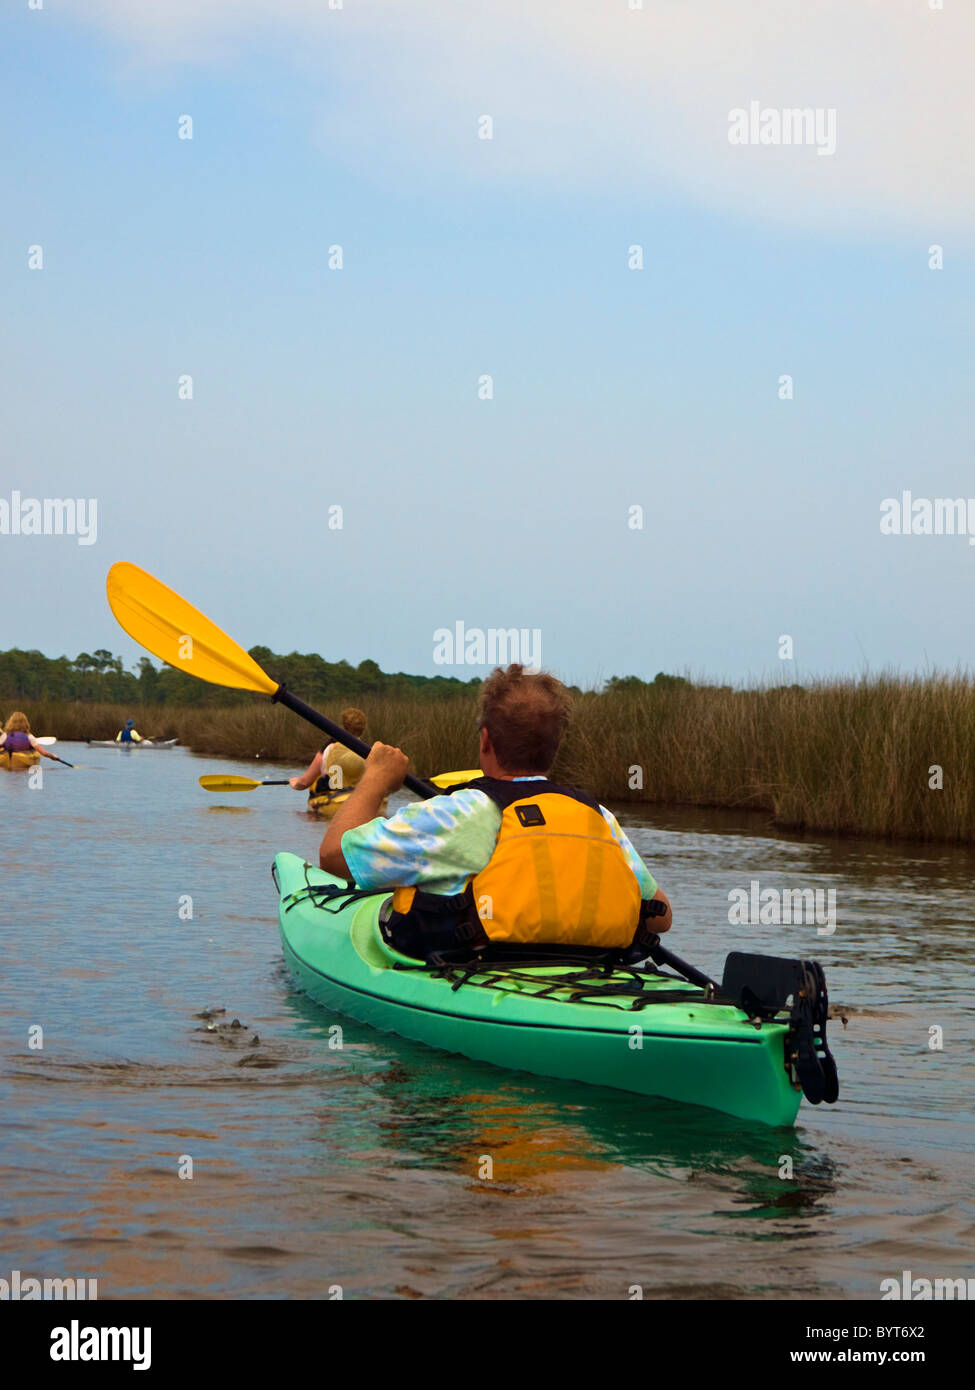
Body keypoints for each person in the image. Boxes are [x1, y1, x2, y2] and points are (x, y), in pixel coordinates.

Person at [319, 665, 671, 958]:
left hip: (482, 973)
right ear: (557, 744)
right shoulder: (598, 816)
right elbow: (660, 917)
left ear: (485, 739)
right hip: (594, 975)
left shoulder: (454, 813)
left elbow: (334, 856)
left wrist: (375, 780)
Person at [291, 707, 381, 814]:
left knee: (305, 817)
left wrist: (295, 783)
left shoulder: (329, 749)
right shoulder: (370, 752)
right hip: (363, 801)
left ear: (342, 727)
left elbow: (304, 782)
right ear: (362, 730)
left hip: (336, 802)